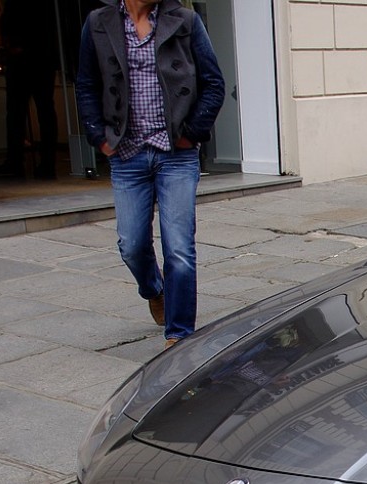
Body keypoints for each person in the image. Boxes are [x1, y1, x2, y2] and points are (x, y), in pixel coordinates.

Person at [75, 0, 225, 347]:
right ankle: (154, 289)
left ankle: (178, 333)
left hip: (176, 153)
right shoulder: (98, 23)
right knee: (131, 244)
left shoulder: (185, 20)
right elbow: (86, 84)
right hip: (126, 154)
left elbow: (213, 83)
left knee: (179, 249)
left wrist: (192, 133)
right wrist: (100, 137)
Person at [0, 0, 60, 179]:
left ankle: (38, 162)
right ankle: (26, 161)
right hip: (35, 55)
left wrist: (14, 45)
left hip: (32, 55)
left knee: (30, 110)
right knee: (25, 111)